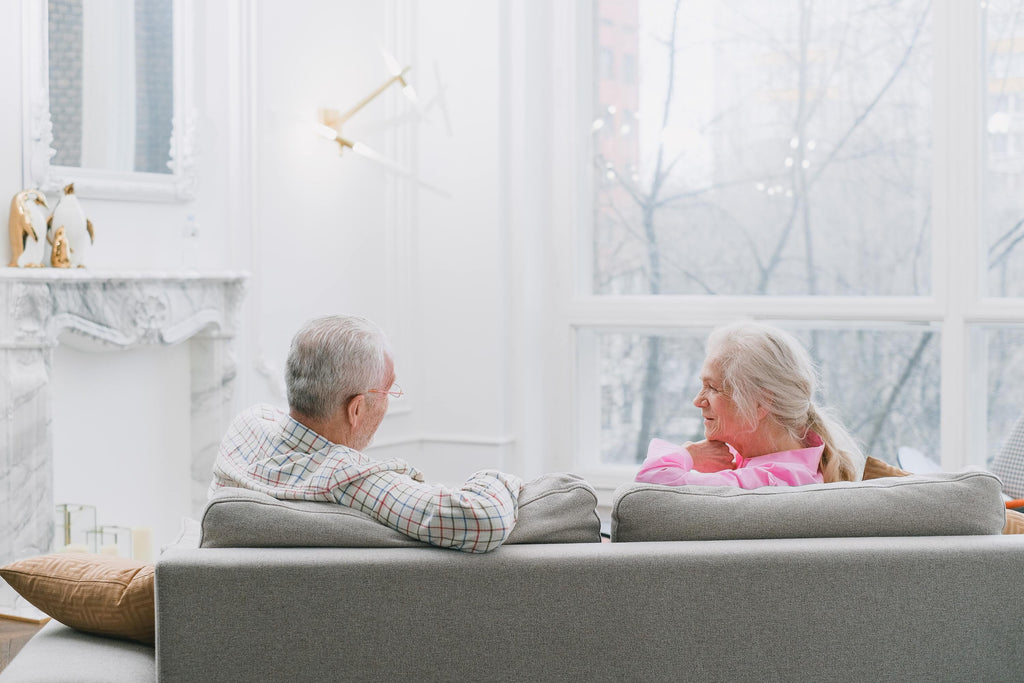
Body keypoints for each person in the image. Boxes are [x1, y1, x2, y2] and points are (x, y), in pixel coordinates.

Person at [210, 314, 522, 553]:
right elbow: (486, 519)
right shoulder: (348, 478)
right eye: (388, 390)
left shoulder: (248, 425)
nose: (389, 399)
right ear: (356, 409)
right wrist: (500, 479)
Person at [636, 321, 865, 488]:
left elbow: (648, 489)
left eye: (713, 388)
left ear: (761, 403)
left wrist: (690, 455)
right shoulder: (786, 462)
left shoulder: (769, 483)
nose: (697, 401)